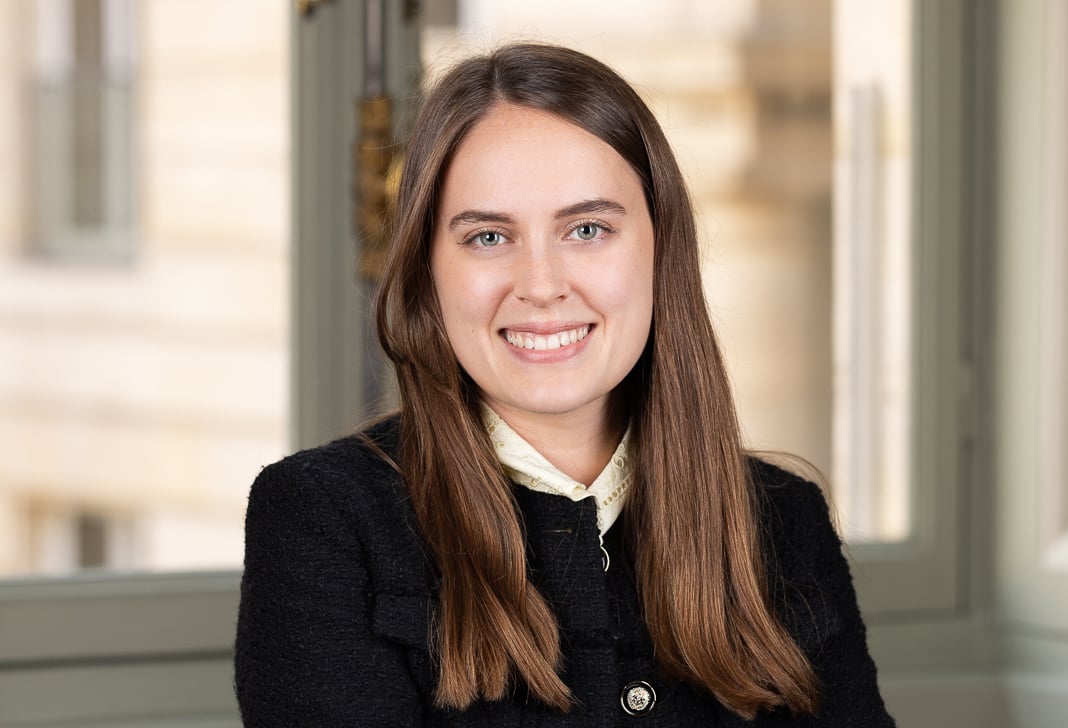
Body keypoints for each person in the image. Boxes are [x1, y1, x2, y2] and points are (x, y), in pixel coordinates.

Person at [234, 42, 896, 727]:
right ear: (427, 269)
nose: (542, 285)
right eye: (489, 237)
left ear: (661, 249)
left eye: (586, 229)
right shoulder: (326, 521)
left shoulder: (783, 519)